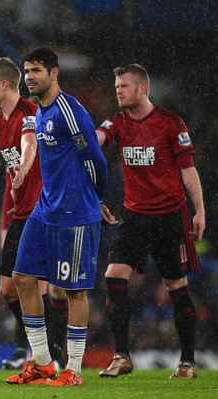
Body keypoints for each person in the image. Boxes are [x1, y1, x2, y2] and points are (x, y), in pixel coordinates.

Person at [6, 47, 112, 387]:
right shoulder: (40, 110)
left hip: (74, 212)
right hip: (44, 208)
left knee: (73, 291)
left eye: (37, 70)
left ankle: (75, 370)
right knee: (22, 277)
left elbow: (96, 159)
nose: (31, 76)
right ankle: (41, 362)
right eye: (27, 70)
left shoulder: (69, 110)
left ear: (54, 73)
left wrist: (94, 199)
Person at [96, 64, 205, 379]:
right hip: (133, 217)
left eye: (124, 86)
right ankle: (121, 356)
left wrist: (199, 211)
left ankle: (187, 362)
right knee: (114, 278)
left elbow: (188, 169)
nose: (118, 91)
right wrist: (81, 138)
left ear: (142, 88)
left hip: (169, 217)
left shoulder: (170, 123)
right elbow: (98, 138)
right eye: (117, 85)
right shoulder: (118, 120)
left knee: (176, 287)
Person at [0, 56, 68, 371]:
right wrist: (14, 186)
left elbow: (29, 147)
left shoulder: (31, 113)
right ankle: (46, 346)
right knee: (7, 289)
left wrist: (24, 170)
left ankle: (47, 355)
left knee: (34, 285)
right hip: (19, 211)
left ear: (4, 84)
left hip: (42, 211)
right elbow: (13, 161)